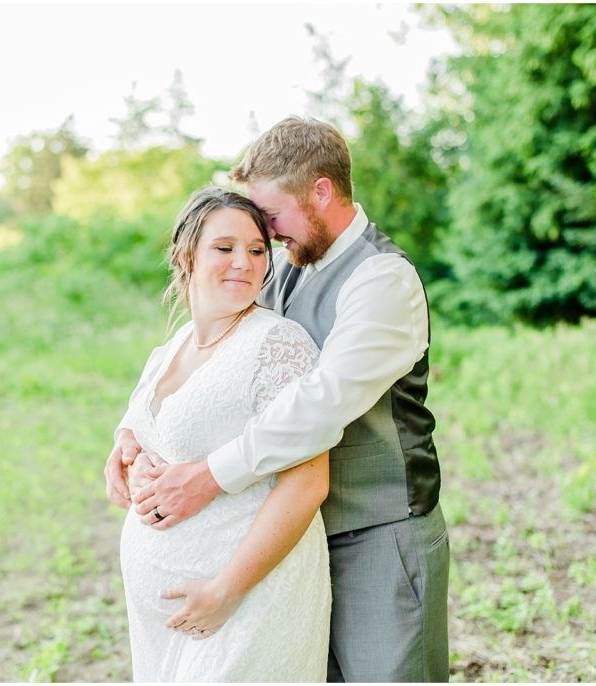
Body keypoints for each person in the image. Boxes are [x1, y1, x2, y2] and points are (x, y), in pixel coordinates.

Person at [109, 116, 449, 682]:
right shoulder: (285, 260)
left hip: (376, 532)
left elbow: (319, 405)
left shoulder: (382, 279)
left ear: (321, 191)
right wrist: (131, 431)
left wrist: (209, 475)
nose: (264, 237)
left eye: (271, 218)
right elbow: (207, 343)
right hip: (286, 538)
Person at [111, 187, 332, 681]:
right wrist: (126, 448)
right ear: (187, 254)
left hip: (246, 603)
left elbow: (308, 483)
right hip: (162, 619)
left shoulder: (278, 345)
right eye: (224, 248)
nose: (244, 263)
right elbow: (156, 428)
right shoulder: (175, 345)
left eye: (257, 250)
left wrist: (226, 591)